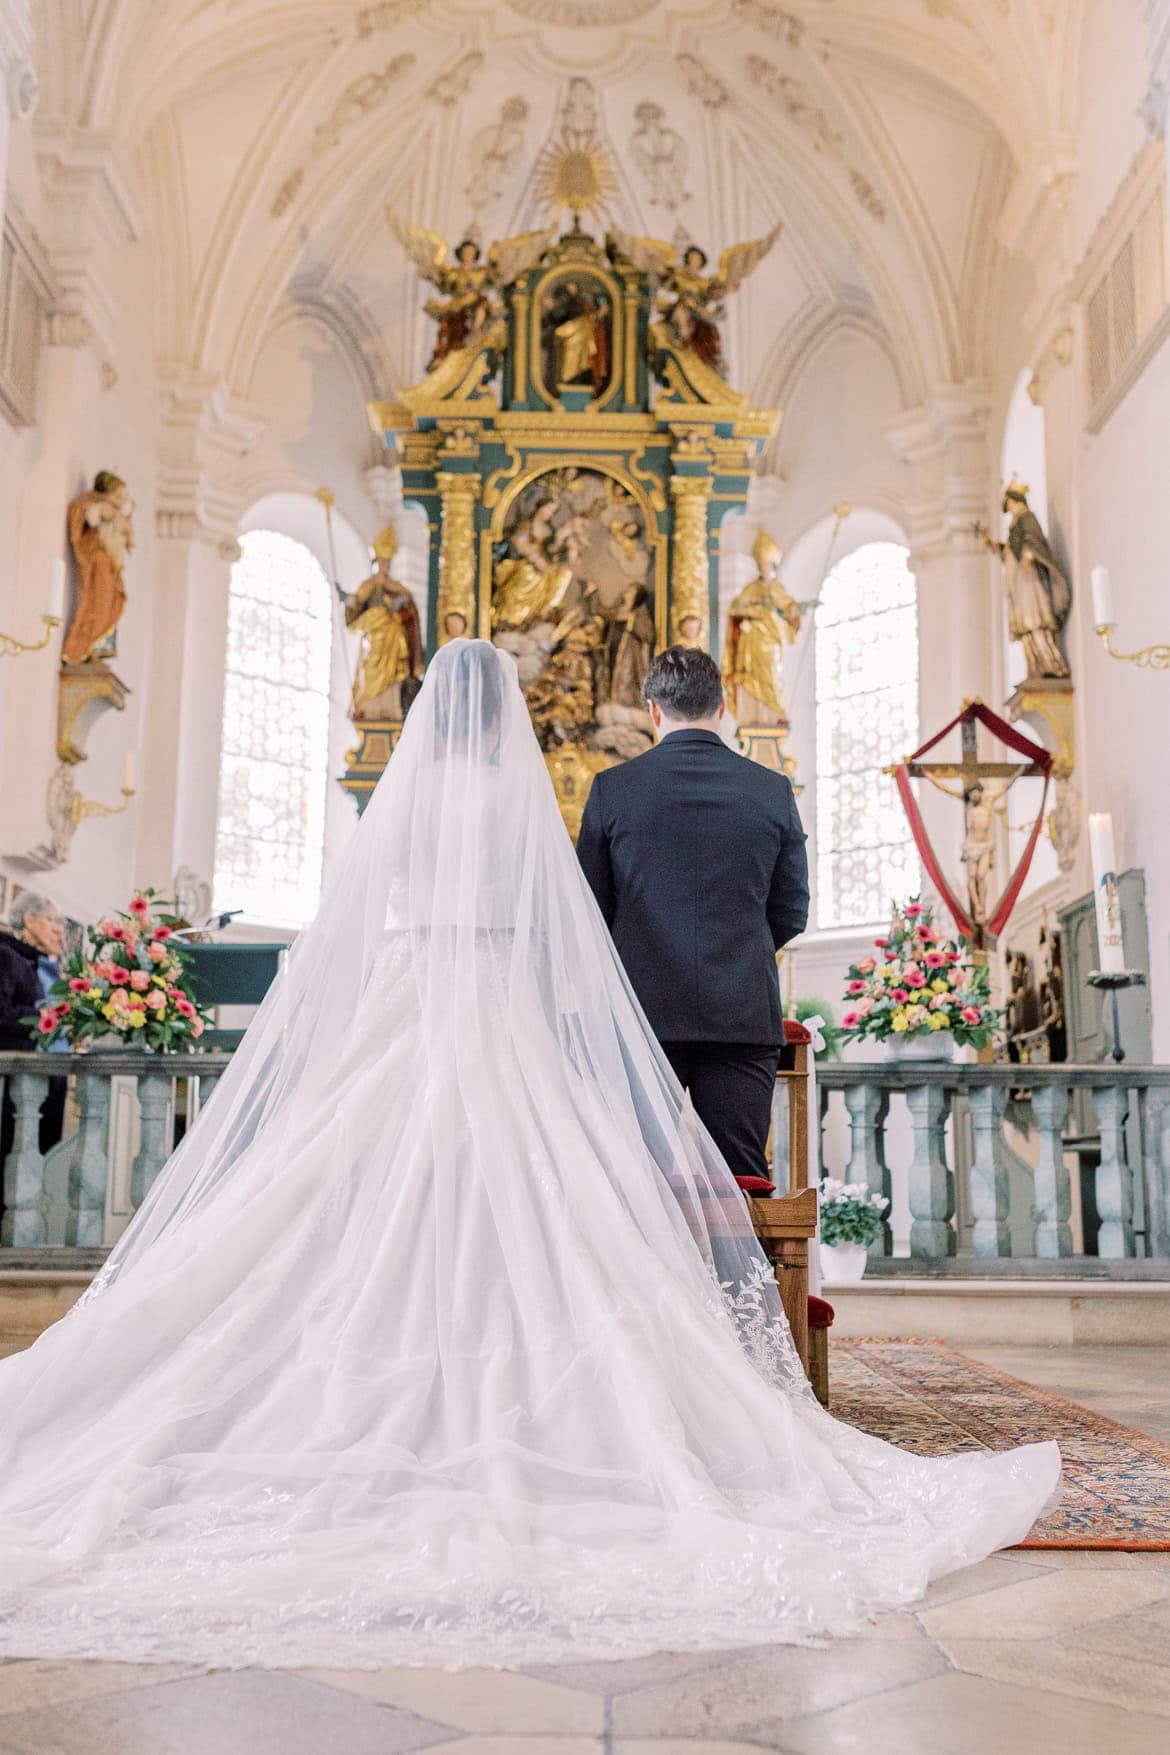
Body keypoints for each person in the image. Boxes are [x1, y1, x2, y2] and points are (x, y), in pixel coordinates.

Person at [0, 642, 1059, 1672]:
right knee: (548, 1191)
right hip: (558, 1008)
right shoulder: (557, 802)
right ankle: (676, 1378)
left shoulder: (437, 800)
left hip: (407, 1006)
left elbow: (430, 917)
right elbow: (608, 924)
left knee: (359, 1186)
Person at [577, 646, 808, 1194]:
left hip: (642, 1016)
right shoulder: (771, 789)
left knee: (638, 1179)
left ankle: (637, 1283)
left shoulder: (613, 788)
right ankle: (739, 1284)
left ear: (653, 711)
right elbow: (792, 907)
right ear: (723, 706)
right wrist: (741, 950)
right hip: (741, 1012)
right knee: (739, 1182)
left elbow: (588, 908)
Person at [0, 894, 67, 1181]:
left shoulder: (33, 962)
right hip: (17, 1076)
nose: (58, 929)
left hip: (47, 1073)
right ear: (29, 919)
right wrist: (44, 1017)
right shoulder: (6, 956)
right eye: (51, 919)